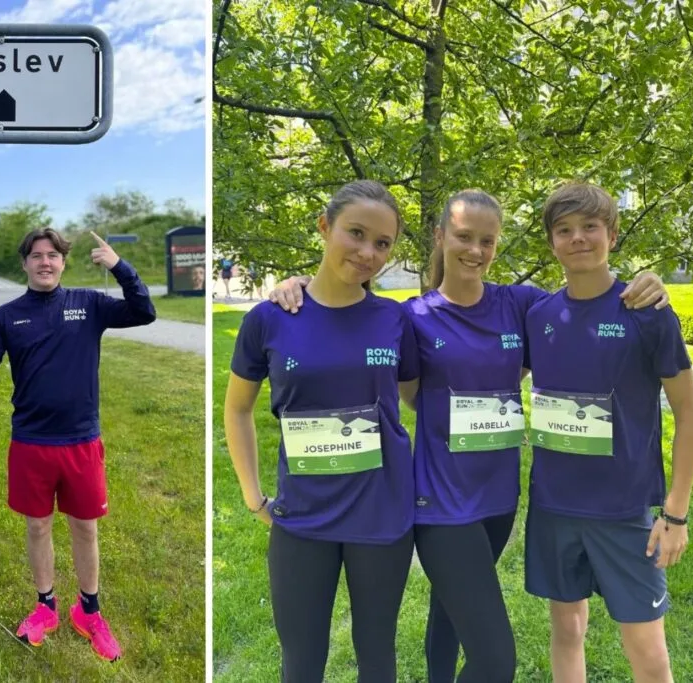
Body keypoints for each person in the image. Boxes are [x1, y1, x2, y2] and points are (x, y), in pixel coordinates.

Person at [269, 189, 668, 682]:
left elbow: (584, 303)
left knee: (450, 613)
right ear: (440, 237)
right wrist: (298, 285)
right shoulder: (412, 316)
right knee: (495, 658)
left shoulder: (520, 304)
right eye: (462, 236)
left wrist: (644, 284)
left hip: (498, 499)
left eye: (487, 240)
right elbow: (393, 371)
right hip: (440, 500)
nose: (474, 250)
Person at [224, 180, 420, 683]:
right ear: (324, 227)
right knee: (302, 660)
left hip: (382, 514)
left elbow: (422, 397)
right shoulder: (269, 319)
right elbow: (238, 411)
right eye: (356, 233)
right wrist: (253, 498)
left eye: (382, 244)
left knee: (377, 654)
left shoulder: (395, 320)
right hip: (302, 518)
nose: (367, 252)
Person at [0, 227, 156, 662]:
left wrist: (119, 266)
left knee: (84, 527)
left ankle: (88, 611)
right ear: (25, 264)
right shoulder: (8, 315)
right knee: (37, 526)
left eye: (53, 255)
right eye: (36, 255)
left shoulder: (88, 304)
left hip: (81, 440)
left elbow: (144, 311)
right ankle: (46, 606)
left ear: (63, 262)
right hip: (31, 441)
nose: (45, 262)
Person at [523, 182, 693, 683]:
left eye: (590, 227)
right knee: (566, 630)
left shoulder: (647, 312)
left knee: (647, 651)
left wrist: (676, 512)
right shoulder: (538, 316)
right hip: (555, 507)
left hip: (625, 512)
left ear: (613, 235)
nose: (578, 239)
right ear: (551, 242)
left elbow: (689, 412)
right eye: (564, 230)